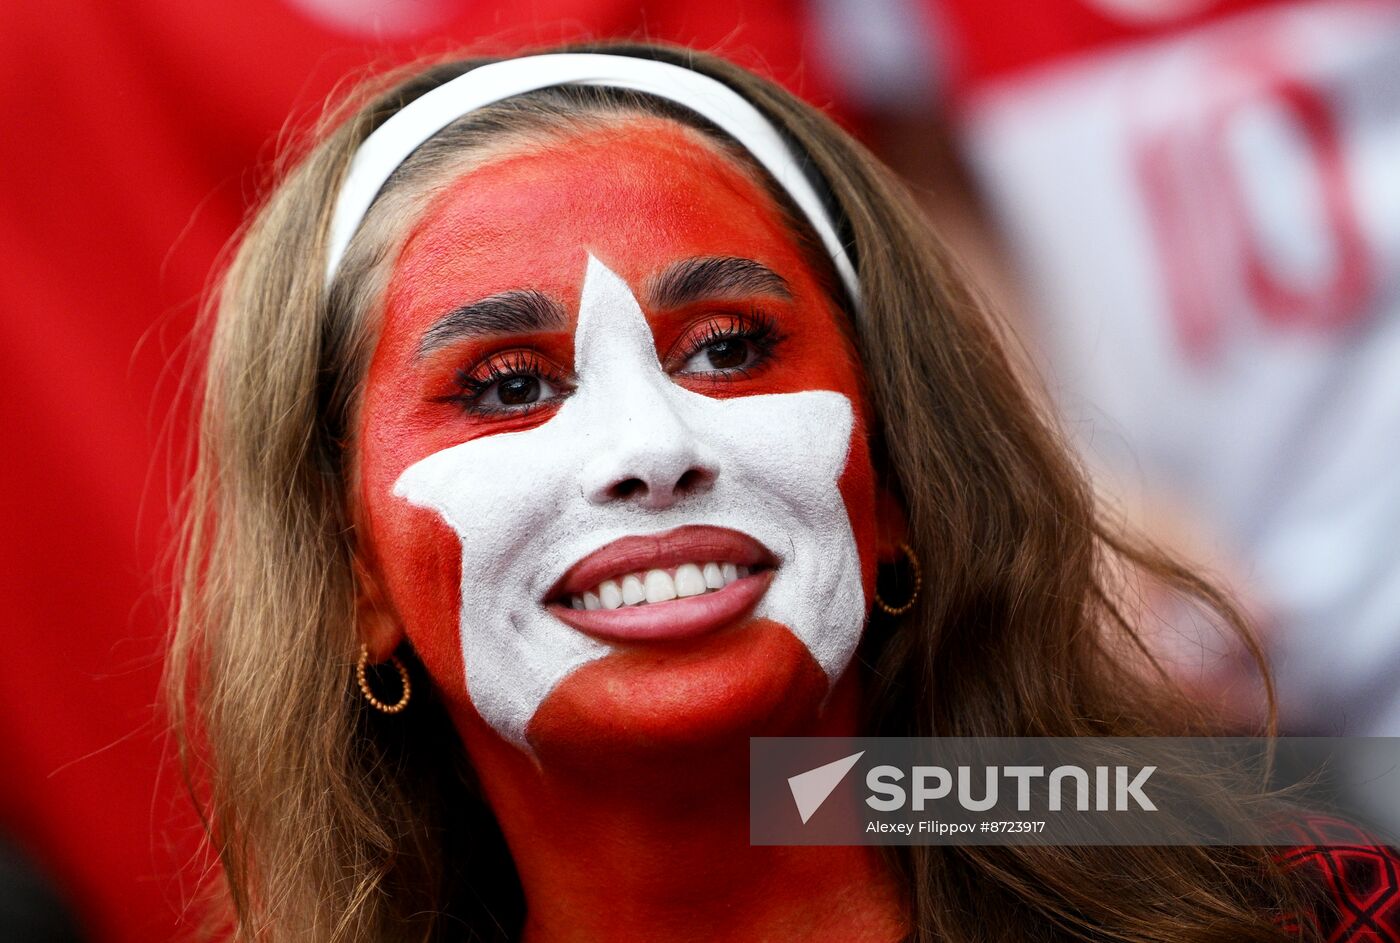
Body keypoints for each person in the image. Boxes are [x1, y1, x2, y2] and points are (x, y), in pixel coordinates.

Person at [168, 40, 1399, 943]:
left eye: (728, 346)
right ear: (351, 577)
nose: (650, 445)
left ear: (898, 488)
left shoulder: (1311, 913)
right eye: (502, 385)